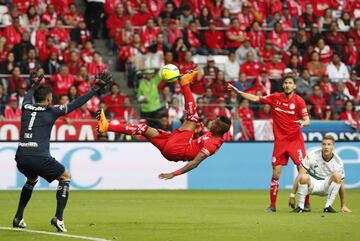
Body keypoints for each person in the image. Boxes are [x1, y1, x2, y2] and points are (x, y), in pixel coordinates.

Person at [12, 70, 112, 232]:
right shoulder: (52, 110)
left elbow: (28, 95)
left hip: (21, 157)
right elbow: (76, 104)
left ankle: (18, 217)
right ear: (49, 98)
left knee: (32, 179)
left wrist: (34, 84)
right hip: (39, 156)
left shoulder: (26, 106)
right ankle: (58, 218)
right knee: (65, 177)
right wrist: (95, 89)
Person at [97, 70, 231, 179]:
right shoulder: (211, 133)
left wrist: (173, 174)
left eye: (214, 122)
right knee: (143, 128)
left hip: (178, 150)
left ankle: (184, 83)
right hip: (172, 147)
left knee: (193, 119)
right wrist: (197, 133)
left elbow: (195, 163)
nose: (212, 121)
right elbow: (196, 144)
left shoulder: (213, 144)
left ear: (218, 128)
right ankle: (106, 126)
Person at [228, 76, 311, 212]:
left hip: (295, 141)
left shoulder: (299, 101)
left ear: (294, 86)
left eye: (290, 83)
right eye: (285, 83)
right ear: (283, 85)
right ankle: (272, 206)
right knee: (276, 173)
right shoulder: (275, 98)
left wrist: (303, 122)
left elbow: (307, 120)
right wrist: (238, 93)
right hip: (280, 143)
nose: (287, 85)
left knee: (303, 172)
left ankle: (306, 203)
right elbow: (255, 98)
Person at [289, 136, 352, 213]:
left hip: (327, 187)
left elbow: (341, 183)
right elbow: (300, 176)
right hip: (311, 185)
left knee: (338, 176)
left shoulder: (338, 162)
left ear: (333, 147)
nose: (326, 147)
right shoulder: (312, 156)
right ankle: (300, 207)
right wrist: (292, 195)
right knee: (303, 176)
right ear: (321, 145)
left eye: (329, 144)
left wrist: (343, 205)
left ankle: (328, 206)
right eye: (324, 144)